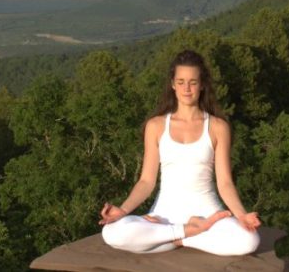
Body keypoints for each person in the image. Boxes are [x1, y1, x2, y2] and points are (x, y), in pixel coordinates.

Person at [99, 50, 261, 256]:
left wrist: (242, 215)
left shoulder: (218, 127)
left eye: (193, 82)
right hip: (164, 216)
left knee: (249, 240)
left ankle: (178, 237)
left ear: (202, 85)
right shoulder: (156, 126)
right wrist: (122, 211)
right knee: (111, 233)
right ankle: (185, 232)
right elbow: (146, 181)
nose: (187, 88)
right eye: (181, 82)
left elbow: (225, 183)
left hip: (208, 214)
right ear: (173, 84)